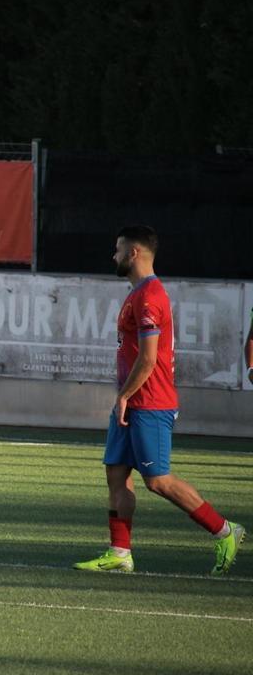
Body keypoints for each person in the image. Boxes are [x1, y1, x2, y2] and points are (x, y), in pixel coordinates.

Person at [74, 225, 244, 575]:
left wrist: (124, 396)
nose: (114, 256)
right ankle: (120, 552)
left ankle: (226, 531)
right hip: (132, 401)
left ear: (134, 253)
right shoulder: (138, 292)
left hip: (150, 403)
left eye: (118, 249)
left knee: (158, 481)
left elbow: (149, 359)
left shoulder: (150, 296)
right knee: (116, 474)